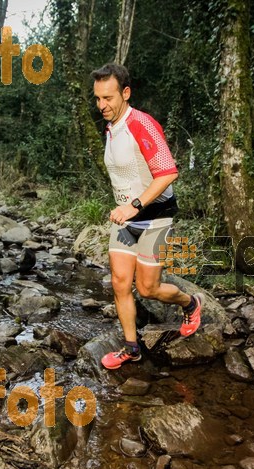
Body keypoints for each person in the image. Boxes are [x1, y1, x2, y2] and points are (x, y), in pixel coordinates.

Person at [91, 63, 202, 370]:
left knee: (148, 289)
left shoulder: (142, 123)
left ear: (125, 93)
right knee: (119, 282)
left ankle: (190, 304)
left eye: (108, 98)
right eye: (98, 98)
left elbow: (168, 173)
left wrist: (133, 206)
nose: (102, 105)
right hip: (127, 220)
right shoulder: (111, 128)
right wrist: (126, 207)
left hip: (155, 216)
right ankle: (131, 348)